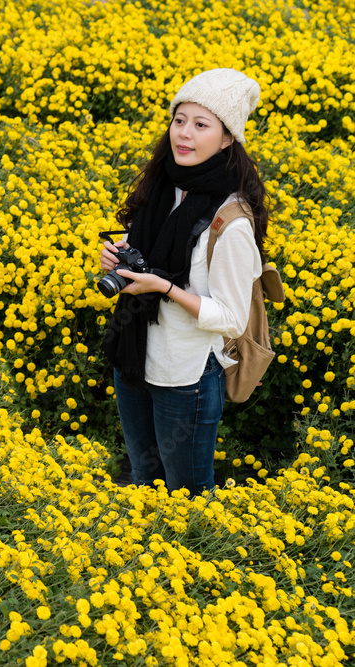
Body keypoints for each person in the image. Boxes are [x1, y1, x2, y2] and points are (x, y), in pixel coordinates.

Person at [100, 68, 268, 496]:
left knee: (187, 497)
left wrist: (165, 290)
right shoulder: (165, 187)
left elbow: (231, 318)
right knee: (144, 486)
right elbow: (154, 251)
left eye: (200, 124)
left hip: (185, 376)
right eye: (179, 120)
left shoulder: (230, 223)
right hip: (134, 359)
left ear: (228, 138)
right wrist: (117, 254)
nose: (184, 134)